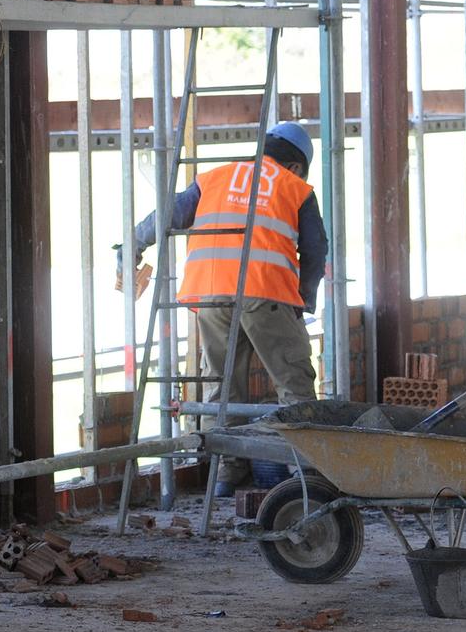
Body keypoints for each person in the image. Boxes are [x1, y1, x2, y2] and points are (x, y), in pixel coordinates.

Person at [125, 121, 328, 490]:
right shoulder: (295, 187)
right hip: (266, 292)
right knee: (294, 384)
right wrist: (303, 299)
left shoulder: (216, 177)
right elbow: (316, 250)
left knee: (222, 388)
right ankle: (309, 475)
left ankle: (225, 474)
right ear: (296, 166)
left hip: (210, 295)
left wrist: (133, 243)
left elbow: (170, 214)